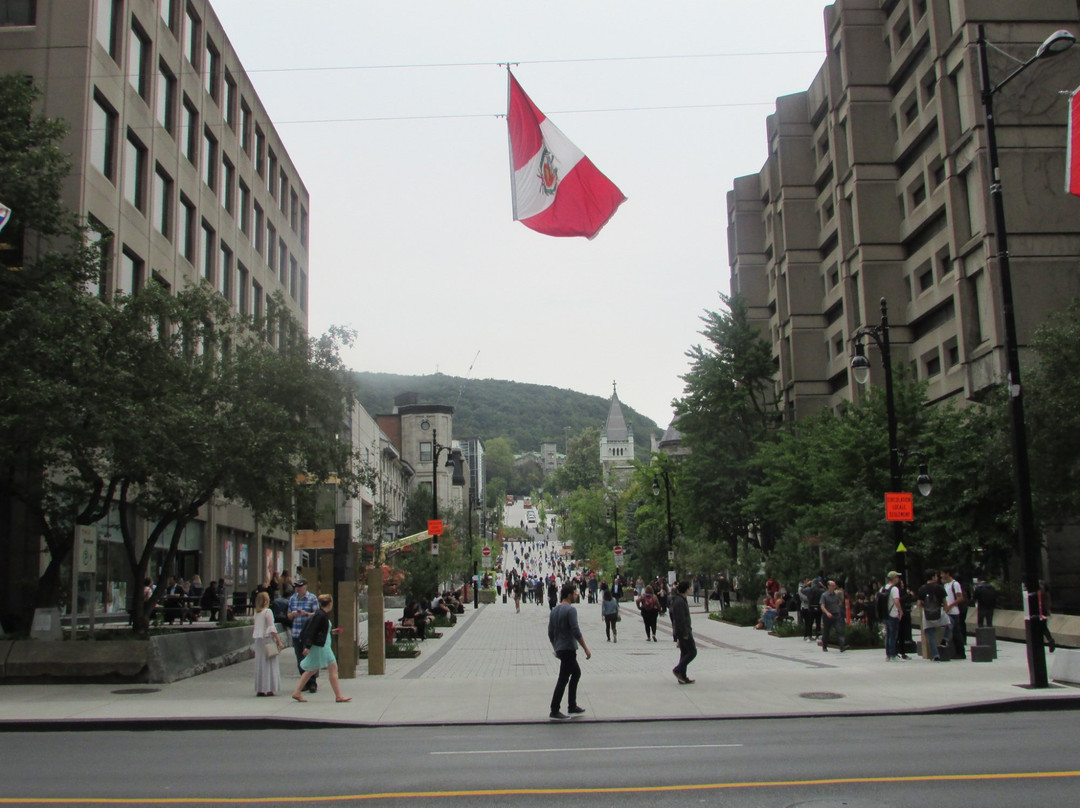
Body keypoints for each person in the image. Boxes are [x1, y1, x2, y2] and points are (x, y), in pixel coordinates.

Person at [291, 594, 351, 703]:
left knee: (312, 669)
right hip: (321, 646)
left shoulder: (320, 614)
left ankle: (297, 691)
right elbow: (312, 631)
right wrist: (307, 646)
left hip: (321, 645)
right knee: (331, 668)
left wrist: (333, 632)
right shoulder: (321, 615)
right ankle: (338, 696)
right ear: (330, 603)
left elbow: (320, 631)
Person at [548, 582, 591, 719]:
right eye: (575, 593)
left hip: (561, 648)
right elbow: (576, 631)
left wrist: (555, 647)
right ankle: (555, 709)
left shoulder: (554, 610)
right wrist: (586, 649)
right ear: (569, 595)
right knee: (564, 678)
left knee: (576, 673)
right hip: (568, 647)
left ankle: (572, 705)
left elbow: (550, 632)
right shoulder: (571, 610)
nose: (577, 595)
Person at [287, 579, 320, 693]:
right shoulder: (292, 598)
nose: (298, 588)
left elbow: (317, 614)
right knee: (300, 658)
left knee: (310, 657)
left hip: (308, 633)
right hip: (296, 632)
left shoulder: (312, 598)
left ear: (305, 587)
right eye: (297, 586)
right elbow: (288, 615)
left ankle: (312, 682)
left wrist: (306, 614)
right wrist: (293, 614)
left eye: (300, 586)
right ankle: (304, 682)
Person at [252, 591, 282, 696]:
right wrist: (278, 640)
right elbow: (271, 627)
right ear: (266, 601)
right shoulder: (268, 612)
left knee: (260, 663)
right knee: (270, 663)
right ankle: (270, 688)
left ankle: (260, 688)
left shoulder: (256, 613)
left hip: (258, 640)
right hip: (268, 639)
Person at [917, 569, 950, 661]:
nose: (937, 577)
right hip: (939, 612)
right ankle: (945, 640)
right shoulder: (939, 587)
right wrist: (946, 611)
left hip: (927, 614)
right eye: (936, 576)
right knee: (950, 624)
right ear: (933, 577)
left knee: (930, 634)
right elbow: (945, 602)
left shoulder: (922, 588)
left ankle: (935, 655)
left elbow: (919, 604)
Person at [669, 580, 696, 684]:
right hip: (684, 631)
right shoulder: (679, 601)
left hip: (684, 630)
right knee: (692, 652)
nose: (691, 589)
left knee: (684, 653)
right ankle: (678, 669)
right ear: (686, 589)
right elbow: (679, 619)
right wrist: (684, 634)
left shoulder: (681, 599)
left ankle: (682, 676)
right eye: (690, 587)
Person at [940, 568, 965, 658]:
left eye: (942, 573)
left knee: (956, 632)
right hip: (947, 611)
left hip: (954, 611)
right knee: (951, 632)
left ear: (948, 573)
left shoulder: (955, 584)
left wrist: (950, 605)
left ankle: (960, 652)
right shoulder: (945, 585)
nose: (941, 576)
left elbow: (960, 598)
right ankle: (955, 651)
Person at [819, 580, 846, 652]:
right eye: (832, 586)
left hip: (836, 615)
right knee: (826, 631)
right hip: (827, 615)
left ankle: (842, 646)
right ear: (828, 586)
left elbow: (839, 603)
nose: (833, 587)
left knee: (839, 630)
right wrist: (827, 613)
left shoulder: (836, 595)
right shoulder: (824, 595)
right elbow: (822, 606)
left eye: (834, 586)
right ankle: (824, 646)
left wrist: (838, 610)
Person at [882, 571, 902, 661]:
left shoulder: (883, 588)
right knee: (893, 635)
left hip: (885, 614)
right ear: (894, 578)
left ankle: (888, 655)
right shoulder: (894, 589)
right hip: (893, 614)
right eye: (897, 577)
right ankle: (893, 654)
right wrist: (900, 611)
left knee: (888, 634)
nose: (898, 579)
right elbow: (896, 601)